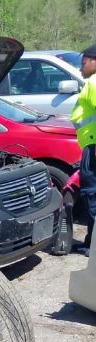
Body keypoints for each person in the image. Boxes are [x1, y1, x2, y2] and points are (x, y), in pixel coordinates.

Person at [71, 45, 96, 255]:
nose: (81, 67)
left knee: (92, 194)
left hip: (94, 147)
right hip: (91, 144)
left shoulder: (95, 83)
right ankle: (90, 242)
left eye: (84, 62)